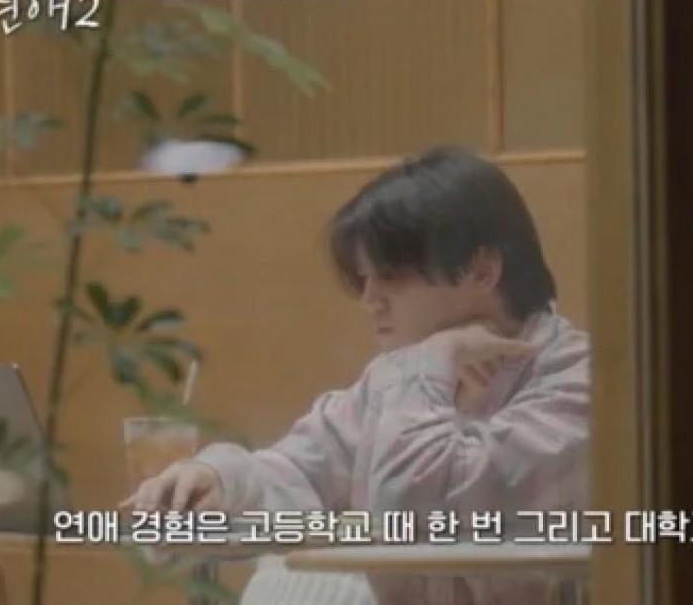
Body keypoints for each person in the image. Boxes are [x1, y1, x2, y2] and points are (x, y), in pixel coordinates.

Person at [122, 145, 591, 604]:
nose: (370, 300)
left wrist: (425, 365)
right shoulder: (397, 377)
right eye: (363, 280)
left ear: (482, 270)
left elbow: (415, 518)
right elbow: (300, 471)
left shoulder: (582, 384)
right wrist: (216, 479)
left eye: (390, 275)